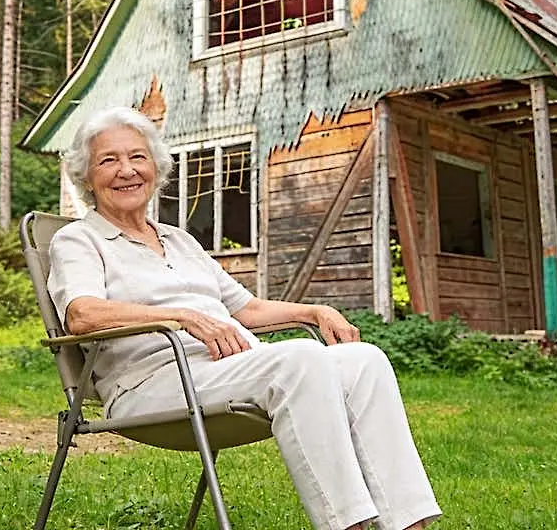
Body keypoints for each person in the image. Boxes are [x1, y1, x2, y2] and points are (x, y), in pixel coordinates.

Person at [46, 107, 440, 530]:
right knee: (301, 359)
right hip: (152, 381)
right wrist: (181, 317)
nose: (126, 170)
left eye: (137, 157)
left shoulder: (179, 241)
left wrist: (314, 310)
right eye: (109, 160)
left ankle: (407, 525)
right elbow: (81, 314)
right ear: (87, 177)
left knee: (365, 360)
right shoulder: (78, 239)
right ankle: (346, 525)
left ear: (155, 169)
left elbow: (246, 309)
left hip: (226, 367)